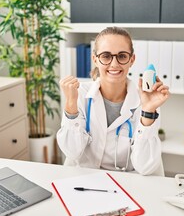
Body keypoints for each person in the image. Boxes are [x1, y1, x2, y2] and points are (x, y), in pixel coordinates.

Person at [57, 26, 170, 175]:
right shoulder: (80, 95)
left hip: (127, 182)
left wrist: (148, 111)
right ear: (95, 59)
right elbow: (72, 152)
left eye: (122, 56)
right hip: (86, 179)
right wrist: (71, 104)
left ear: (132, 59)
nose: (114, 64)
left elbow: (145, 167)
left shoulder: (146, 101)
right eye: (106, 56)